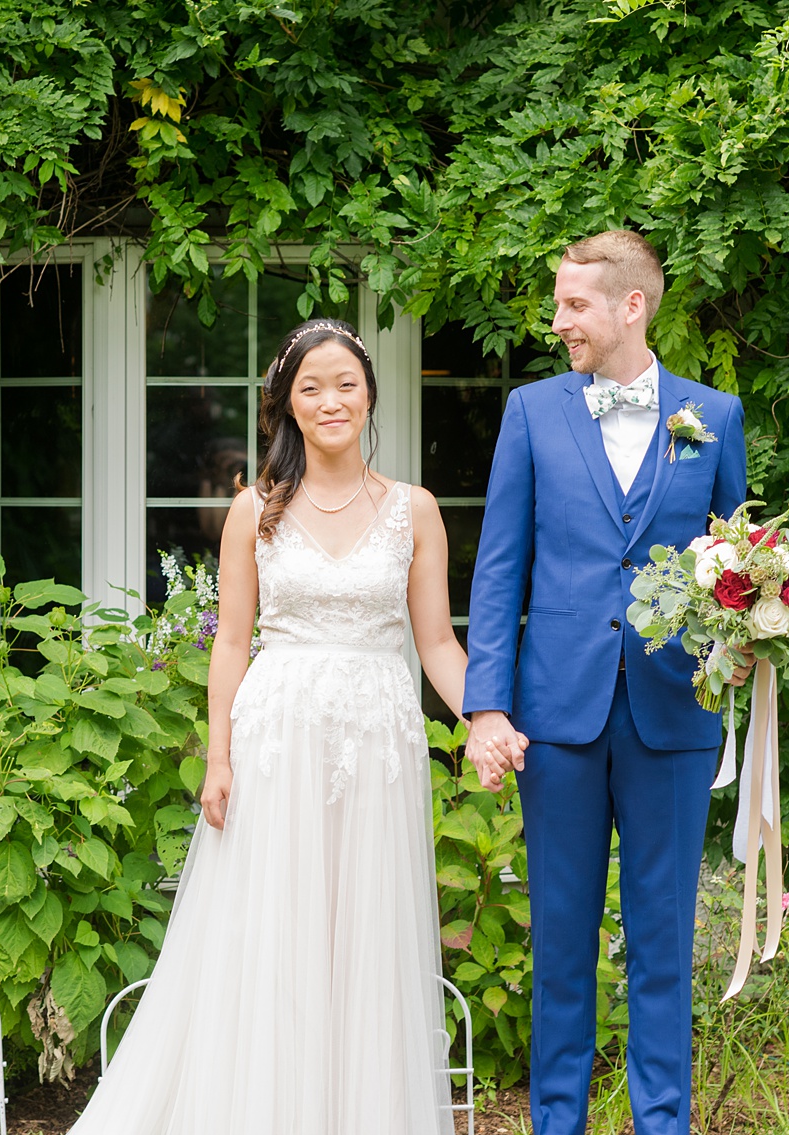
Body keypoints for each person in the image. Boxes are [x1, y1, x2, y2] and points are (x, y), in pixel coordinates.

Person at [70, 318, 498, 1135]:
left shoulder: (416, 510)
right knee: (271, 936)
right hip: (278, 738)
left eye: (346, 384)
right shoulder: (253, 511)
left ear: (370, 395)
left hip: (376, 743)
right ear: (286, 405)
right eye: (311, 387)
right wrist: (218, 756)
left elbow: (437, 640)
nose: (330, 399)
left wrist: (484, 716)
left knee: (365, 941)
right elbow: (232, 640)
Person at [463, 231, 750, 1135]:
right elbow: (500, 566)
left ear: (633, 306)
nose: (558, 322)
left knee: (663, 941)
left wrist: (747, 640)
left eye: (574, 304)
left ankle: (663, 1122)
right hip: (557, 716)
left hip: (673, 716)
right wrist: (488, 705)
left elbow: (737, 568)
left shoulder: (714, 416)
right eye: (558, 303)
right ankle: (559, 1122)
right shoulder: (531, 412)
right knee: (559, 944)